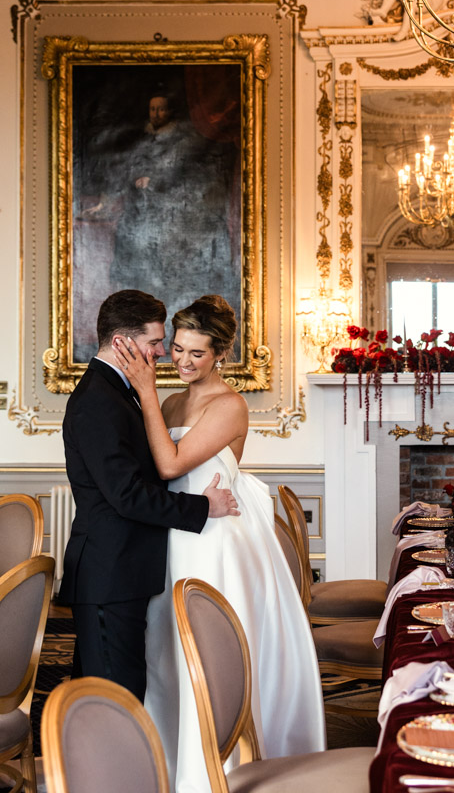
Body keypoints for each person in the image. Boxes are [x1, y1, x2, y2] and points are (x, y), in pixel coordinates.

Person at [114, 295, 326, 791]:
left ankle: (222, 766)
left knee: (209, 651)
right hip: (175, 531)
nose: (183, 362)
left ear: (221, 356)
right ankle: (171, 762)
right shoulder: (171, 402)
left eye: (197, 354)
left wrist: (144, 389)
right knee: (165, 648)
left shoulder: (229, 405)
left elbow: (170, 465)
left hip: (214, 538)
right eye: (178, 350)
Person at [60, 289, 240, 703]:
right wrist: (202, 506)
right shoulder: (98, 402)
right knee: (116, 698)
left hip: (127, 567)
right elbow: (126, 495)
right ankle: (114, 769)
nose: (162, 353)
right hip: (110, 572)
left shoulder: (118, 392)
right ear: (123, 342)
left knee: (109, 692)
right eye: (157, 343)